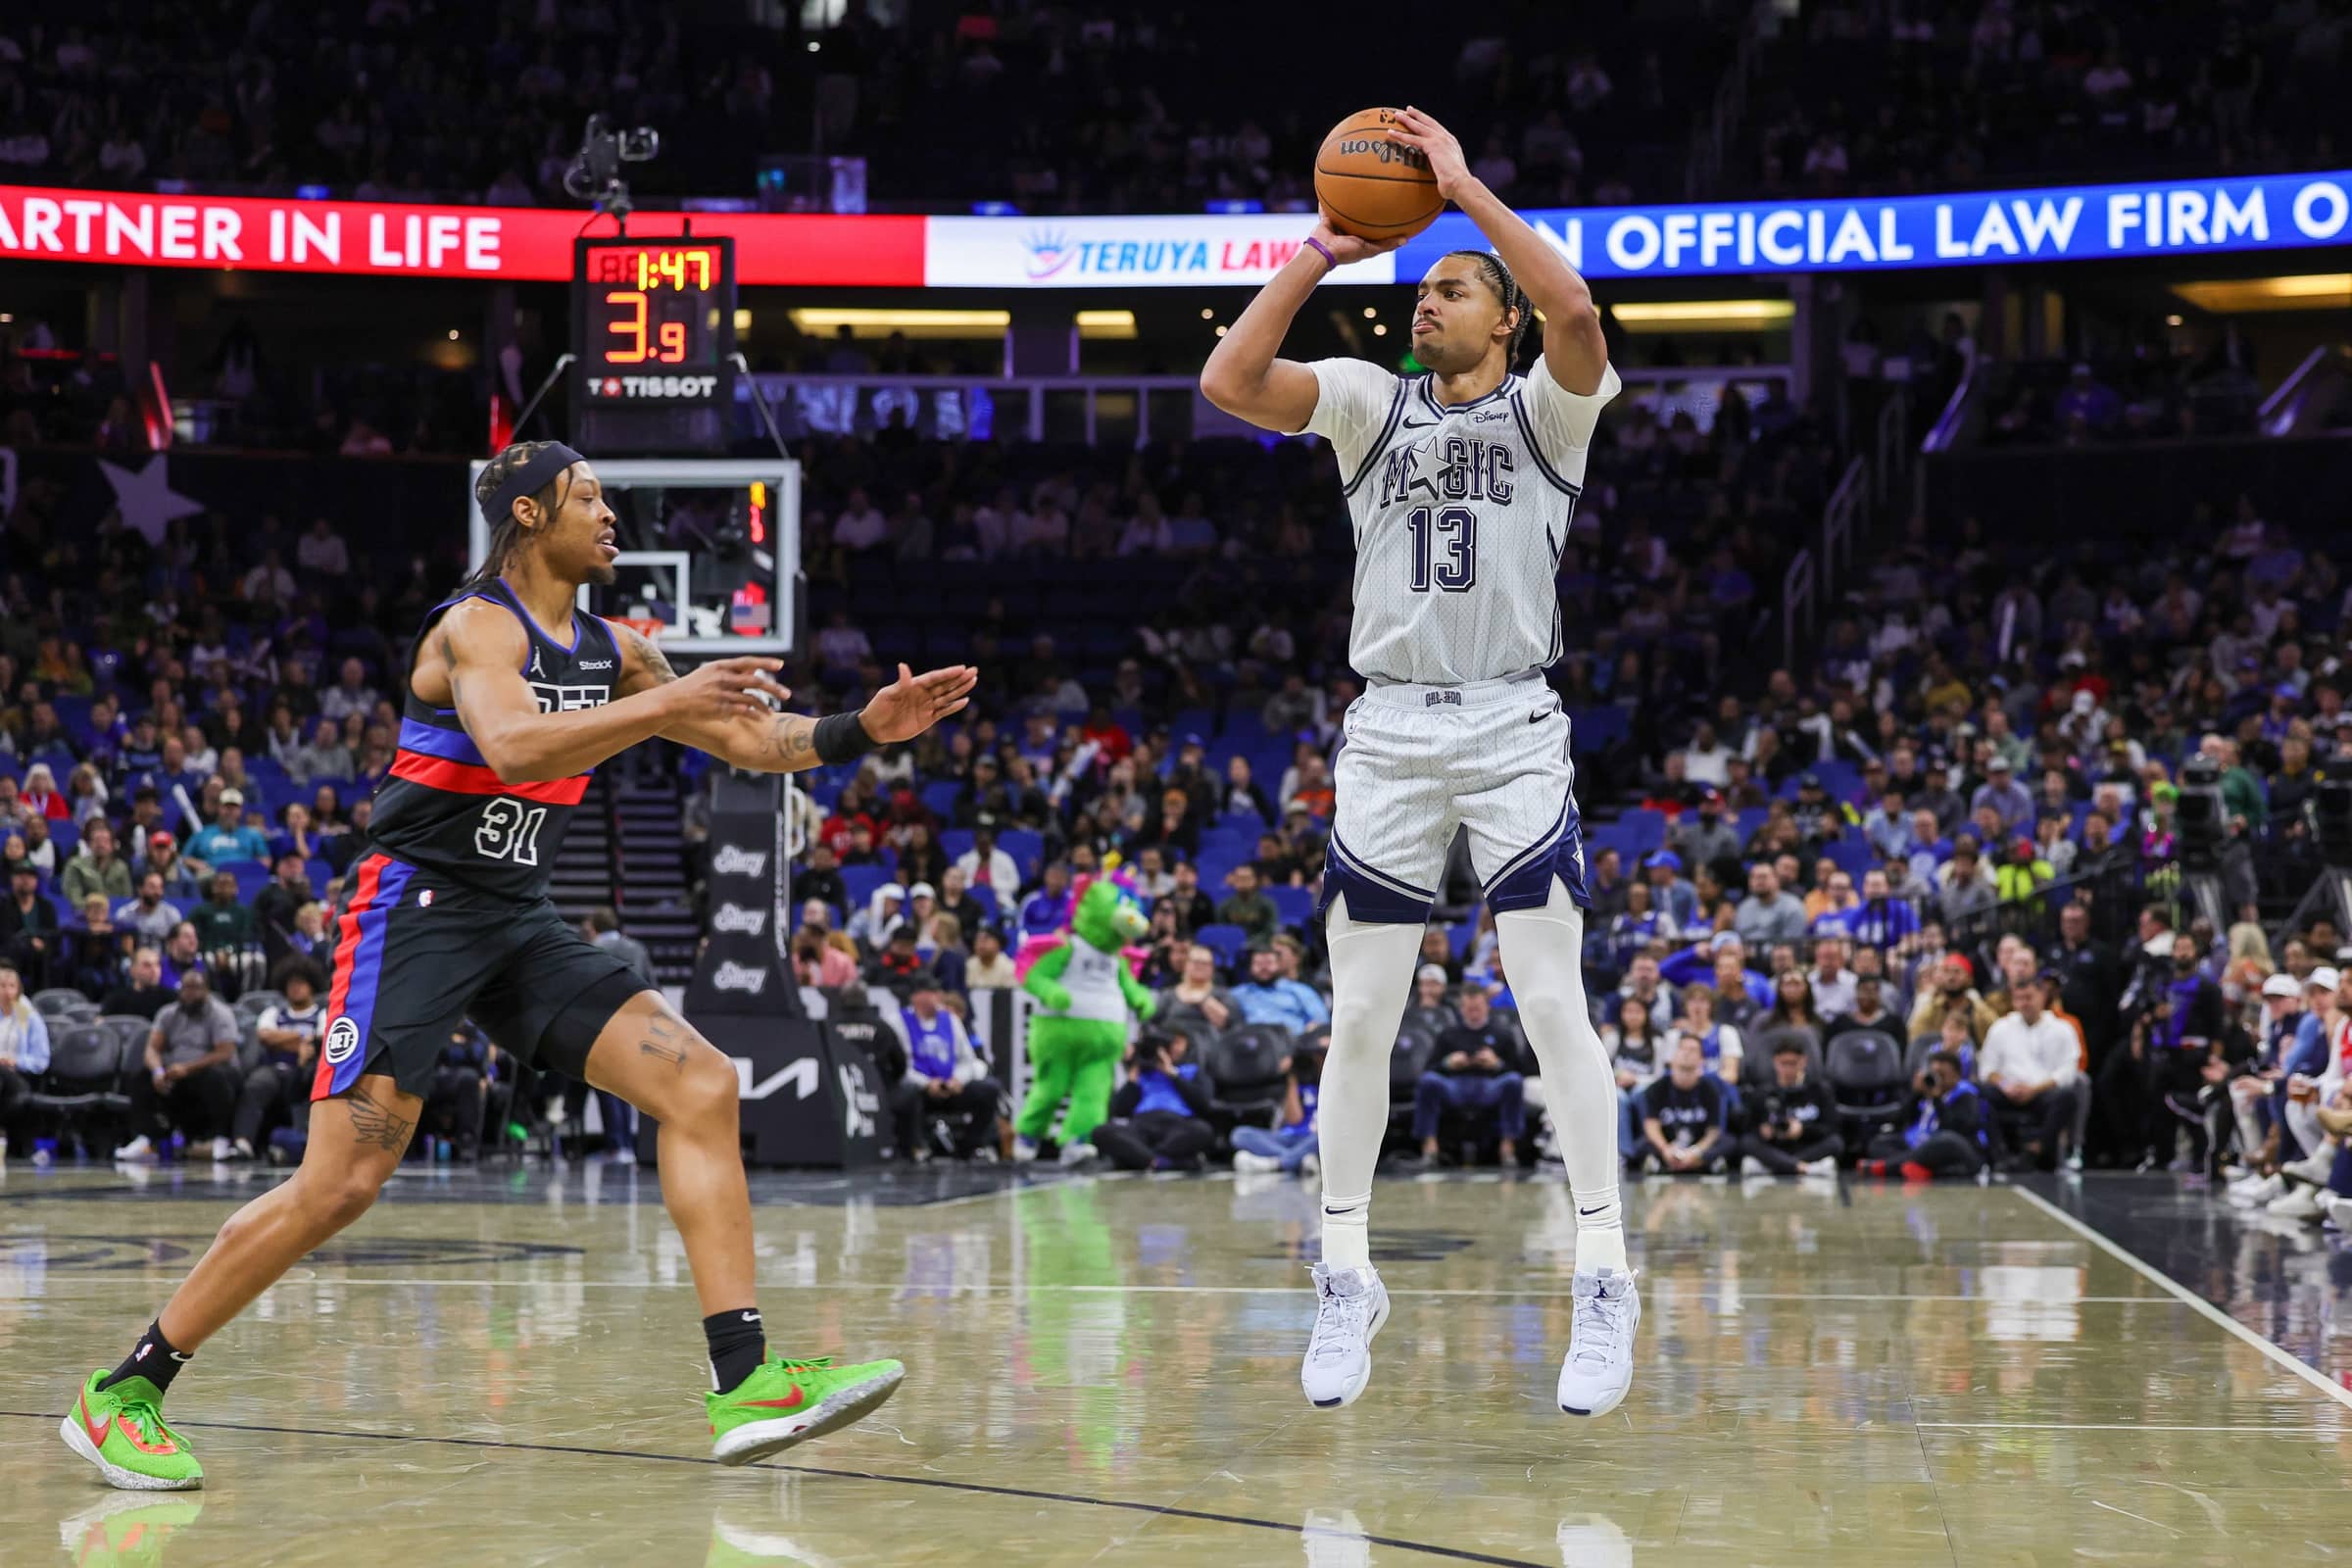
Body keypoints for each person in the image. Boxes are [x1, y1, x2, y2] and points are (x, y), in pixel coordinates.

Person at [60, 442, 978, 1492]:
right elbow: (515, 748)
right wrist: (670, 706)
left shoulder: (618, 648)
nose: (609, 515)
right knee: (342, 1181)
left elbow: (754, 740)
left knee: (702, 1084)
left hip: (516, 915)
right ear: (533, 512)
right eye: (590, 497)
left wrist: (866, 727)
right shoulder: (476, 624)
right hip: (416, 909)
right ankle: (123, 1390)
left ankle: (748, 1379)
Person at [1199, 104, 1634, 1418]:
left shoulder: (1552, 412)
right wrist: (1320, 256)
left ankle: (1605, 1273)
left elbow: (1577, 311)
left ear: (1497, 319)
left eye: (1448, 290)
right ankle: (1345, 1274)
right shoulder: (1365, 404)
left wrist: (1462, 190)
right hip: (1388, 733)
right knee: (1366, 1022)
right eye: (1422, 287)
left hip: (1508, 726)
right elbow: (1227, 383)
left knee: (1549, 999)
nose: (1424, 303)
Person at [115, 967, 242, 1164]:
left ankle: (220, 1138)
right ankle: (147, 1139)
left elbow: (225, 1052)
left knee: (216, 1077)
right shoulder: (168, 1013)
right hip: (176, 1072)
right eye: (186, 988)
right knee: (140, 1076)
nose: (190, 993)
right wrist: (157, 1070)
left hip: (208, 1070)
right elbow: (152, 1048)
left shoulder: (220, 1013)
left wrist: (188, 1068)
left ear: (206, 989)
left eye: (196, 988)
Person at [1407, 987, 1528, 1168]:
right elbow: (1430, 1068)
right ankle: (1429, 1148)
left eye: (1477, 1008)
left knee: (1513, 1082)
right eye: (1469, 1009)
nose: (1473, 1013)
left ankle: (1508, 1148)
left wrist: (1497, 1064)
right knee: (1428, 1082)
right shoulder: (1448, 1034)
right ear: (1462, 1009)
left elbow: (1519, 1070)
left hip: (1490, 1085)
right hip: (1455, 1085)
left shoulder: (1502, 1034)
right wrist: (1448, 1063)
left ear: (1487, 1007)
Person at [884, 972, 998, 1162]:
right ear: (917, 996)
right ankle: (918, 1146)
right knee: (907, 1092)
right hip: (922, 1090)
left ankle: (970, 1146)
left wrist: (957, 1080)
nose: (939, 996)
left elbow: (967, 1060)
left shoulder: (951, 1020)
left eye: (938, 991)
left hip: (950, 1088)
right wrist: (927, 1083)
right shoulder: (898, 1021)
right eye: (933, 992)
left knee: (989, 1089)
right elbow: (900, 1065)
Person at [1978, 974, 2082, 1170]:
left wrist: (2034, 1089)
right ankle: (1999, 1154)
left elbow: (2068, 1071)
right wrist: (2007, 1086)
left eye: (2029, 997)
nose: (2025, 1003)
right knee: (1979, 1092)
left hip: (2042, 1091)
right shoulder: (2001, 1028)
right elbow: (1987, 1069)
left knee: (2067, 1096)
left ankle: (2036, 1150)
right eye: (2019, 999)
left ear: (2042, 996)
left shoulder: (2062, 1029)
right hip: (2008, 1090)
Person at [226, 959, 326, 1162]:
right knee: (256, 1084)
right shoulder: (273, 1013)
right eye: (291, 984)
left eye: (300, 983)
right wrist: (300, 1039)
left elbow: (319, 1042)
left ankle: (302, 1142)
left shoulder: (323, 1014)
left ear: (311, 985)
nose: (295, 988)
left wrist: (281, 1039)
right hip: (274, 1068)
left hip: (305, 1069)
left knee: (309, 1080)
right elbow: (265, 1037)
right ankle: (242, 1143)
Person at [1092, 1027, 1215, 1171]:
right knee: (1101, 1132)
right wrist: (1133, 1078)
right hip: (1141, 1125)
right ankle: (1164, 1162)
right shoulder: (1142, 1075)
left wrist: (1173, 1074)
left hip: (1177, 1125)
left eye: (1177, 1043)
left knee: (1202, 1130)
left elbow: (1203, 1104)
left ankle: (1142, 1159)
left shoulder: (1191, 1071)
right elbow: (1119, 1110)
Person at [1857, 1050, 1988, 1179]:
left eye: (1942, 1074)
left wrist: (1937, 1100)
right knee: (1878, 1143)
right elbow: (1898, 1121)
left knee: (1946, 1139)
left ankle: (1886, 1167)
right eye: (1934, 1073)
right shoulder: (1926, 1091)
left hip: (1956, 1151)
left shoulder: (1966, 1095)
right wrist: (1915, 1094)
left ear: (1956, 1076)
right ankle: (1921, 1168)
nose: (1938, 1078)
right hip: (1921, 1147)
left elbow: (1953, 1128)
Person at [1732, 1036, 1840, 1178]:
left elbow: (1831, 1127)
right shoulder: (1763, 1092)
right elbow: (1748, 1128)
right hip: (1774, 1147)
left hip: (1805, 1146)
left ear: (1803, 1061)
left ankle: (1775, 1167)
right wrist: (1763, 1131)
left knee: (1835, 1143)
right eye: (1784, 1063)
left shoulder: (1819, 1090)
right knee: (1747, 1142)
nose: (1788, 1069)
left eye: (1793, 1063)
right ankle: (1803, 1168)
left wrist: (1803, 1130)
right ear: (1775, 1062)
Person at [1634, 1036, 1730, 1174]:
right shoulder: (1657, 1088)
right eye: (1682, 1048)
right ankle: (1704, 1163)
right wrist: (1665, 1149)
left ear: (1701, 1060)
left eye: (1692, 1050)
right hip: (1668, 1144)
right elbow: (1651, 1125)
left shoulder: (1710, 1089)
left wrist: (1696, 1151)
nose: (1686, 1053)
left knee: (1728, 1142)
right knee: (1642, 1144)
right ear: (1673, 1056)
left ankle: (1697, 1161)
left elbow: (1713, 1131)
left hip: (1698, 1145)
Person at [1233, 1046, 1323, 1176]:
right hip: (1287, 1137)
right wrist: (1292, 1078)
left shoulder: (1330, 1085)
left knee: (1321, 1138)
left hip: (1311, 1138)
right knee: (1240, 1134)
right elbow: (1294, 1120)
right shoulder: (1295, 1084)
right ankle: (1296, 1160)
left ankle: (1276, 1164)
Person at [0, 960, 53, 1143]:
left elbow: (41, 1060)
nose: (7, 991)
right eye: (1, 986)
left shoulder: (27, 1016)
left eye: (12, 986)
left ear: (19, 989)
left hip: (20, 1077)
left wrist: (16, 1061)